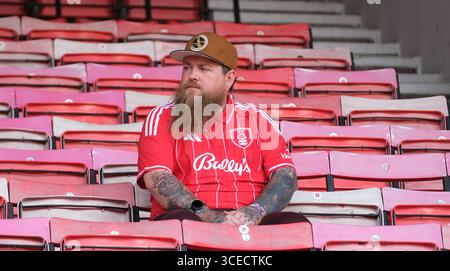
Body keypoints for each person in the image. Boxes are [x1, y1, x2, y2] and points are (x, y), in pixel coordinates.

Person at [137, 32, 308, 225]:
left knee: (295, 224)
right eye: (187, 68)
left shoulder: (258, 119)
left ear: (229, 79)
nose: (192, 75)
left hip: (251, 222)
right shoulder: (161, 118)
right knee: (181, 221)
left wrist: (255, 212)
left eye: (204, 69)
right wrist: (209, 215)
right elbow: (157, 178)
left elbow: (286, 176)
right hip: (191, 222)